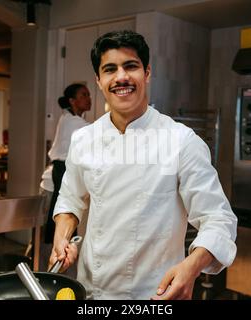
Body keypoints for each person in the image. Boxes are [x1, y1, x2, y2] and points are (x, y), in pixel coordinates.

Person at [49, 30, 237, 300]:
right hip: (90, 291)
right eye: (110, 69)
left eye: (131, 66)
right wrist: (62, 235)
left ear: (147, 73)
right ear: (99, 81)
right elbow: (70, 200)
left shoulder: (181, 141)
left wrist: (191, 267)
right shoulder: (83, 139)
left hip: (153, 294)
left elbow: (219, 220)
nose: (121, 77)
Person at [42, 83, 91, 244]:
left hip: (62, 168)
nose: (88, 99)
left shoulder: (72, 118)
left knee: (67, 209)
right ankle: (55, 250)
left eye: (88, 95)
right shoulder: (72, 121)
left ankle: (60, 247)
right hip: (61, 169)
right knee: (65, 210)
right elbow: (96, 134)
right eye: (83, 95)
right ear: (72, 101)